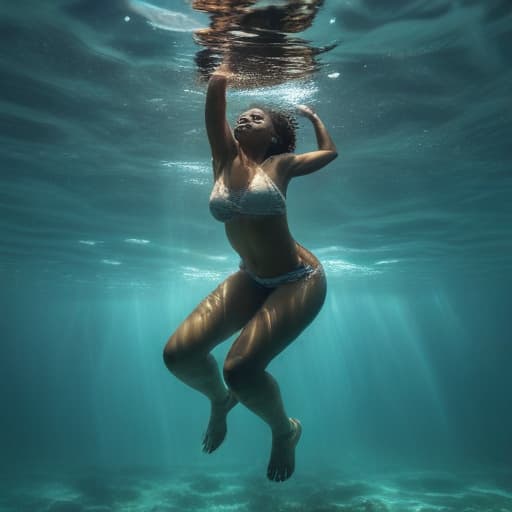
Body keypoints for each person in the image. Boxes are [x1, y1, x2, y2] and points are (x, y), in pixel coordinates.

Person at [163, 69, 337, 482]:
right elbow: (215, 106)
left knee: (240, 369)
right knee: (178, 356)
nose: (244, 120)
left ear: (274, 136)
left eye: (257, 119)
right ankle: (221, 401)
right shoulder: (223, 157)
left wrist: (314, 120)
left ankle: (284, 430)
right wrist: (220, 75)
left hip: (299, 278)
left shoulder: (282, 164)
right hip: (251, 276)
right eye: (243, 117)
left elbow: (330, 153)